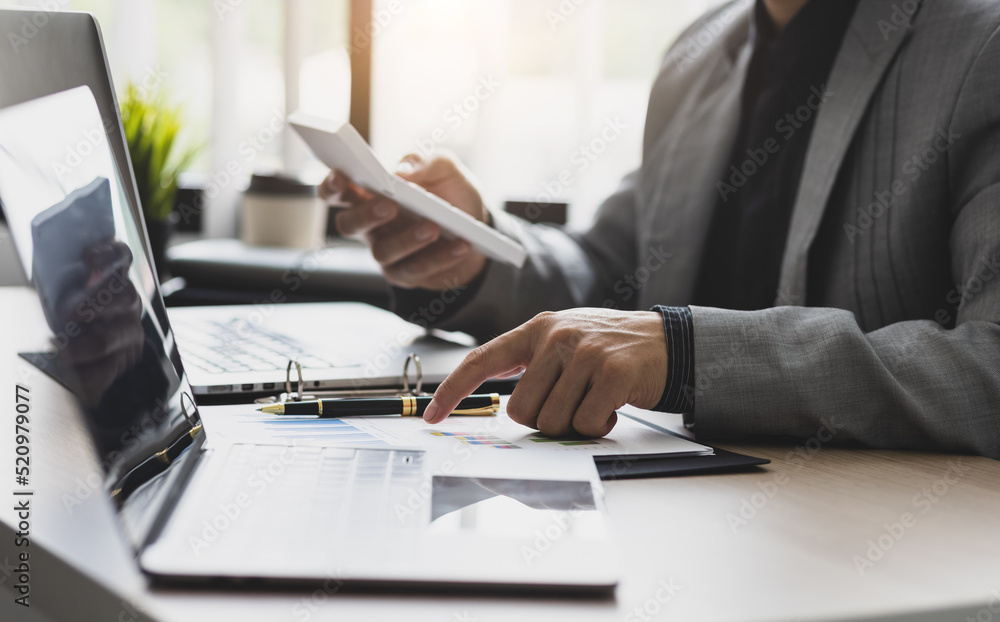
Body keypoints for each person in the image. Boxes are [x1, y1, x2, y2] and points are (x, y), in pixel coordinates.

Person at [321, 0, 1000, 459]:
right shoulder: (699, 55)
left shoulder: (981, 43)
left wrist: (689, 354)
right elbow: (607, 275)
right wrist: (471, 251)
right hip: (683, 527)